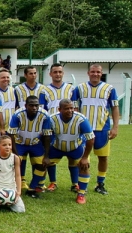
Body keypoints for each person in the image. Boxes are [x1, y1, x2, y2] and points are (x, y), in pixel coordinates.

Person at [71, 64, 119, 196]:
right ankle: (82, 185)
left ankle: (100, 184)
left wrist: (115, 127)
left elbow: (114, 108)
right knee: (83, 158)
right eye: (93, 72)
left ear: (101, 73)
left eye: (98, 72)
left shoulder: (109, 88)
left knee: (103, 157)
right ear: (88, 73)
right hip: (84, 129)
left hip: (102, 128)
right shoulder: (79, 88)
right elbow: (74, 109)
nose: (95, 74)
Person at [43, 99, 95, 204]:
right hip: (57, 147)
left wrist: (85, 158)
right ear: (60, 109)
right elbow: (47, 137)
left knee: (84, 166)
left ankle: (81, 193)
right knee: (42, 163)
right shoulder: (52, 119)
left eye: (71, 108)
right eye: (66, 108)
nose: (70, 110)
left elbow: (91, 139)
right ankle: (48, 184)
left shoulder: (81, 119)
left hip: (76, 148)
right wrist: (46, 155)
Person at [8, 96, 51, 195]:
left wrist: (47, 156)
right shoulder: (17, 115)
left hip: (35, 143)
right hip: (20, 143)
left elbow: (47, 135)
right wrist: (15, 153)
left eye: (36, 105)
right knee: (15, 161)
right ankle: (15, 183)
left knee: (42, 164)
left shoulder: (45, 115)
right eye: (31, 105)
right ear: (26, 105)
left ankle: (33, 187)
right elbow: (11, 134)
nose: (34, 108)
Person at [14, 66, 46, 184]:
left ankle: (37, 182)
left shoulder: (43, 89)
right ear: (25, 75)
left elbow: (44, 108)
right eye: (31, 73)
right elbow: (15, 106)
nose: (33, 75)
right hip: (22, 128)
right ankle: (21, 180)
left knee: (37, 157)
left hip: (37, 128)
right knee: (21, 157)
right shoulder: (18, 89)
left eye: (35, 73)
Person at [0, 136, 25, 213]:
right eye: (4, 145)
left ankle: (6, 201)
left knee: (21, 210)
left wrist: (18, 192)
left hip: (11, 187)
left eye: (9, 145)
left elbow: (18, 176)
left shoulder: (15, 158)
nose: (7, 147)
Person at [0, 69, 17, 136]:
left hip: (13, 128)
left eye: (7, 77)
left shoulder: (14, 91)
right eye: (3, 77)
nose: (6, 79)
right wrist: (2, 127)